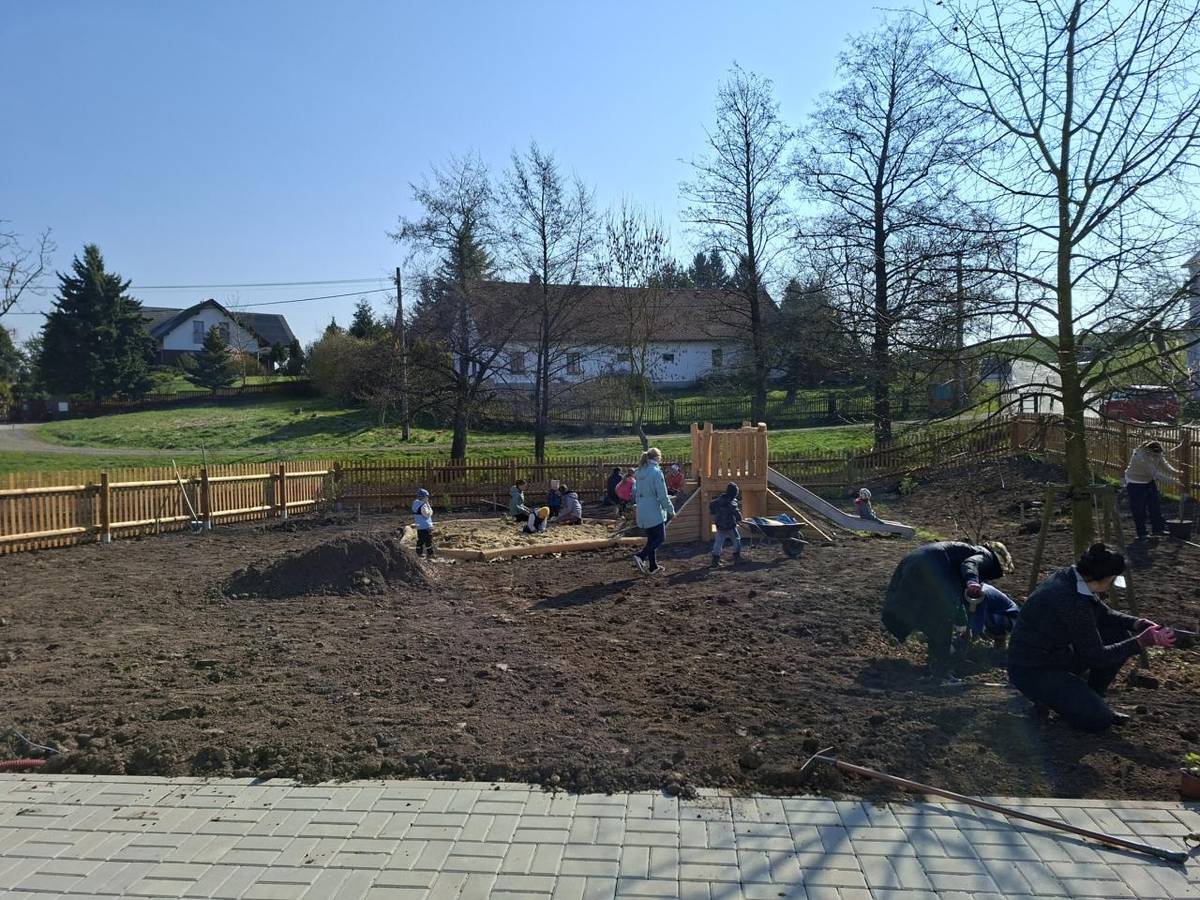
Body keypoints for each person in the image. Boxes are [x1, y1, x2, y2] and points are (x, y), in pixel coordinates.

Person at [1008, 543, 1175, 731]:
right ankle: (1059, 700)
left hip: (1054, 654)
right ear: (1107, 578)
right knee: (1099, 720)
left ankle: (1092, 696)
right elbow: (1097, 656)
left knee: (1116, 634)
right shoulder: (1071, 601)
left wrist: (1137, 623)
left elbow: (1102, 613)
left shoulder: (1072, 577)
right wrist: (1142, 641)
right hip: (1032, 670)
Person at [881, 540, 1016, 671]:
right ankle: (941, 669)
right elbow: (969, 563)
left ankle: (932, 652)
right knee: (944, 615)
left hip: (914, 560)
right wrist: (972, 581)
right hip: (933, 563)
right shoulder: (986, 555)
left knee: (916, 605)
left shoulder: (965, 551)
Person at [1124, 440, 1179, 539]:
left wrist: (1176, 472)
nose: (1156, 457)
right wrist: (1172, 482)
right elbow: (1154, 473)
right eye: (1154, 455)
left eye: (1158, 454)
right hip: (1135, 482)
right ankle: (1142, 533)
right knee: (1139, 509)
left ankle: (1158, 529)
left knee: (1155, 505)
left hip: (1148, 481)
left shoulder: (1157, 452)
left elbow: (1164, 464)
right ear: (1148, 451)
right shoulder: (1139, 457)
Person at [632, 448, 674, 575]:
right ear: (656, 458)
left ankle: (653, 566)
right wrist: (671, 510)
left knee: (651, 539)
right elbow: (662, 495)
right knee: (660, 538)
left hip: (642, 509)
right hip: (654, 510)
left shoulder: (639, 472)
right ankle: (641, 555)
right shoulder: (656, 472)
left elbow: (635, 491)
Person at [709, 482, 743, 567]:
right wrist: (739, 519)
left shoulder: (719, 500)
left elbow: (711, 504)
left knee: (718, 542)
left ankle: (715, 560)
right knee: (736, 539)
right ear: (734, 493)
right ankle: (737, 556)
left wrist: (713, 513)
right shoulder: (732, 503)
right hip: (730, 525)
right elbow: (736, 513)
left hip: (720, 525)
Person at [411, 488, 434, 559]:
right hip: (426, 526)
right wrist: (430, 508)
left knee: (420, 540)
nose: (428, 498)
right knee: (428, 540)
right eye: (427, 497)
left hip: (419, 526)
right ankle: (430, 554)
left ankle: (419, 552)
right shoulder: (423, 505)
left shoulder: (415, 503)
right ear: (424, 497)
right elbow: (427, 514)